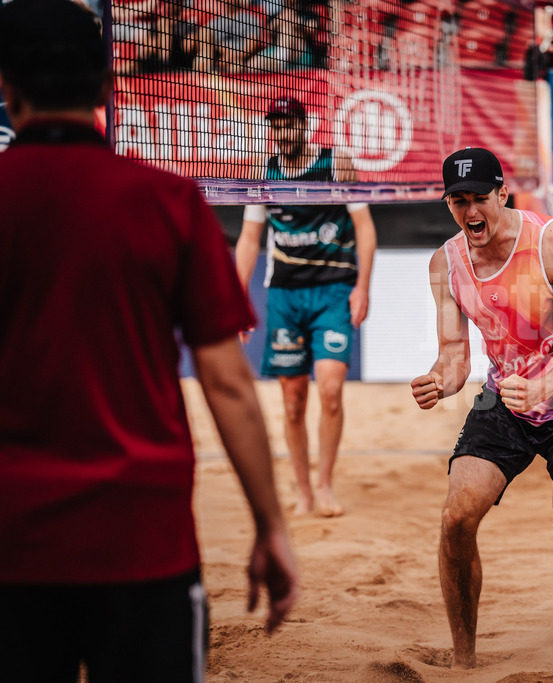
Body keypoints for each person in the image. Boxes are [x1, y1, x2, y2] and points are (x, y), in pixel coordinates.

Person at [0, 1, 299, 680]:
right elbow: (226, 382)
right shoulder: (166, 200)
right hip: (143, 541)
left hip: (11, 541)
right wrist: (270, 525)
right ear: (109, 87)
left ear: (6, 87)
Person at [410, 148, 553, 669]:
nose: (470, 210)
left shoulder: (552, 243)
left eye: (480, 198)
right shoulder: (446, 263)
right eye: (458, 201)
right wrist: (440, 381)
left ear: (502, 193)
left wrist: (544, 387)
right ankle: (463, 661)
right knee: (456, 515)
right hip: (504, 400)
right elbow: (455, 356)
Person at [236, 95, 376, 518]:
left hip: (334, 290)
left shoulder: (336, 163)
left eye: (288, 124)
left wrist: (362, 287)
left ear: (304, 126)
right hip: (284, 295)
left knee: (330, 391)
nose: (281, 132)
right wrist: (237, 295)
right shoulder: (263, 171)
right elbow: (248, 239)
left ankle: (325, 484)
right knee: (293, 400)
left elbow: (365, 229)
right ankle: (303, 493)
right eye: (274, 125)